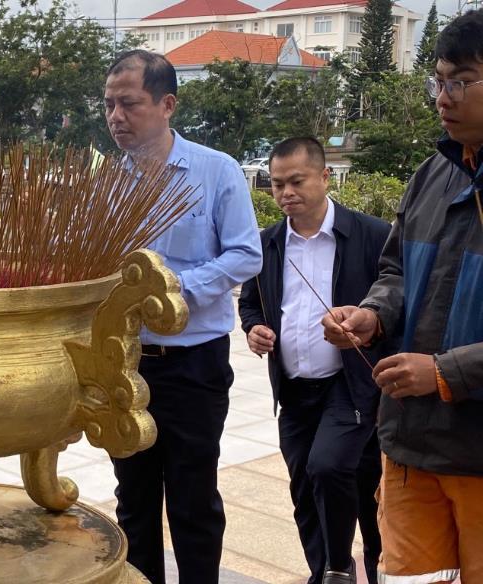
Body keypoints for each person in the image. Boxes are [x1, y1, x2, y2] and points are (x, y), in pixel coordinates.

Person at [321, 11, 483, 583]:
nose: (444, 95)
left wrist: (444, 372)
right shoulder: (430, 176)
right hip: (410, 444)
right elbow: (394, 271)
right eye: (438, 80)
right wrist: (372, 314)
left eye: (461, 80)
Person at [103, 49, 262, 584]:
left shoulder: (216, 171)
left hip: (194, 363)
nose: (116, 117)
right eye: (108, 105)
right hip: (124, 364)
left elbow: (245, 254)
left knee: (193, 498)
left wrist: (168, 292)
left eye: (130, 104)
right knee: (133, 496)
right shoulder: (105, 182)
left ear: (167, 104)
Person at [238, 137, 390, 584]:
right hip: (294, 387)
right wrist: (254, 328)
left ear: (324, 177)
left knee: (330, 466)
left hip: (352, 383)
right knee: (305, 486)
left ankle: (345, 566)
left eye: (296, 181)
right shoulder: (266, 244)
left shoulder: (372, 235)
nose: (286, 193)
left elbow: (394, 303)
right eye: (277, 184)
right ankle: (321, 570)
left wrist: (369, 325)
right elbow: (251, 303)